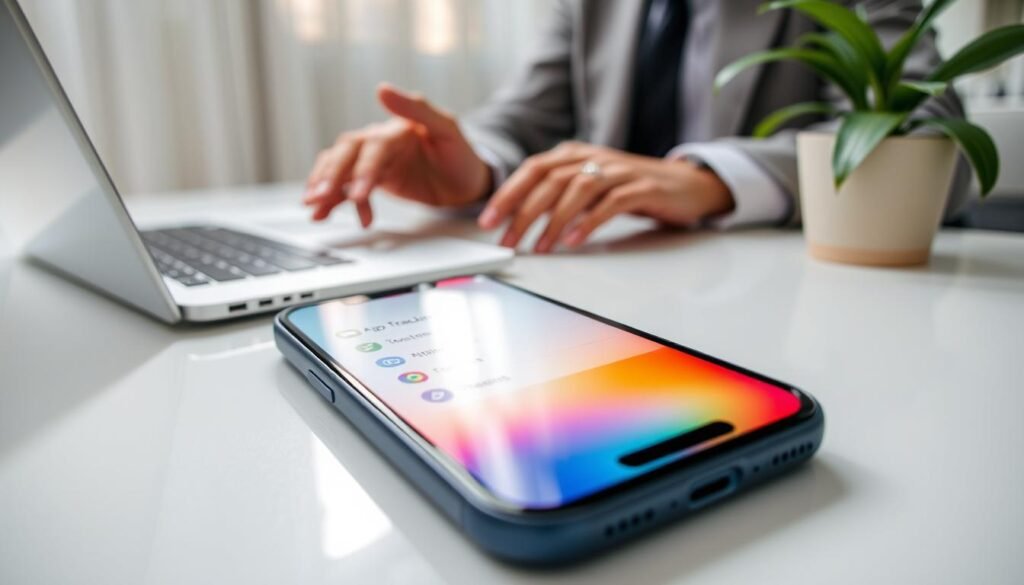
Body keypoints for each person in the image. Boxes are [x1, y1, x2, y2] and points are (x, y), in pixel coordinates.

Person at [302, 0, 969, 254]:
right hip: (601, 286)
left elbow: (934, 143)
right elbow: (523, 115)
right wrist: (469, 164)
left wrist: (707, 180)